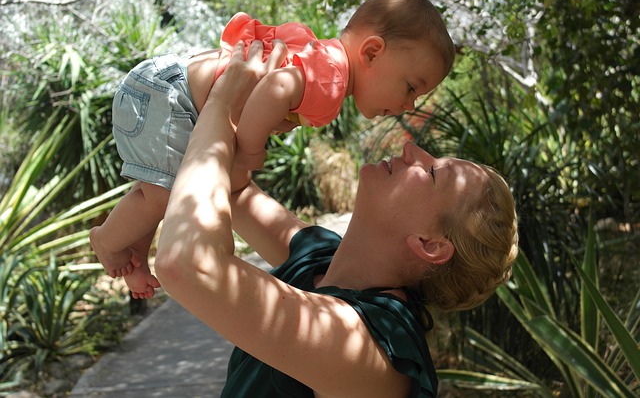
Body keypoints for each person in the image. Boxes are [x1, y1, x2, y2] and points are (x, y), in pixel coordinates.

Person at [153, 40, 519, 397]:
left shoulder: (366, 344)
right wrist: (257, 110)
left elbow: (187, 264)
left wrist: (221, 105)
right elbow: (231, 188)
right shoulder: (323, 259)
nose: (412, 149)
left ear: (430, 244)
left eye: (433, 173)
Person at [90, 0, 456, 299]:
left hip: (167, 90)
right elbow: (274, 88)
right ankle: (106, 240)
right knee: (164, 195)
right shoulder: (330, 82)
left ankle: (131, 255)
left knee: (160, 188)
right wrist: (249, 149)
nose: (409, 105)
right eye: (411, 87)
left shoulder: (321, 56)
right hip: (171, 97)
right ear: (372, 52)